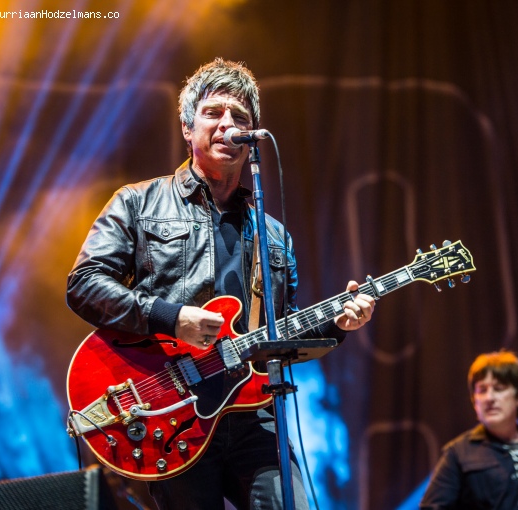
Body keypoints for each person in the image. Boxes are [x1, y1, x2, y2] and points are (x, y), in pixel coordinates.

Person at [66, 57, 376, 509]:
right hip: (173, 413)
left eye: (241, 118)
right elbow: (84, 284)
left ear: (252, 140)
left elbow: (281, 329)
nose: (228, 124)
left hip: (254, 415)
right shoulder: (137, 202)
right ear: (189, 129)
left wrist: (337, 325)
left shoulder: (272, 234)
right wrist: (171, 318)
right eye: (214, 113)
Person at [419, 351, 518, 510]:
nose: (490, 398)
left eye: (499, 388)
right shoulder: (458, 455)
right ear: (474, 402)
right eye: (482, 390)